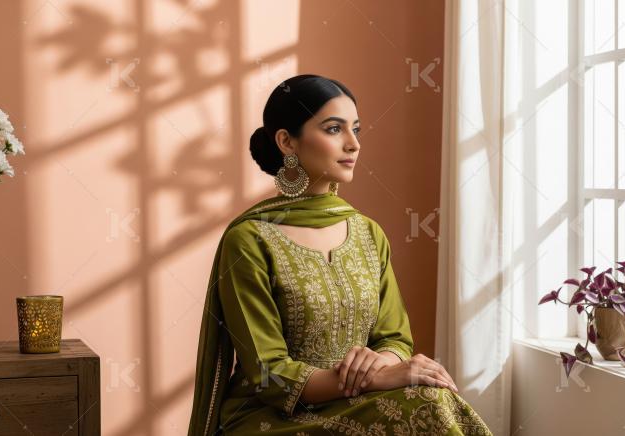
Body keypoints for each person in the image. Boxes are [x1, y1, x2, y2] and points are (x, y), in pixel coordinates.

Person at [188, 74, 492, 435]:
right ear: (287, 141)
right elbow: (270, 373)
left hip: (354, 405)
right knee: (429, 404)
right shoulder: (251, 240)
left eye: (357, 130)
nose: (353, 144)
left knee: (433, 399)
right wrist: (372, 379)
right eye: (334, 129)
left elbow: (394, 338)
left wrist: (382, 362)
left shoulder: (367, 233)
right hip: (272, 417)